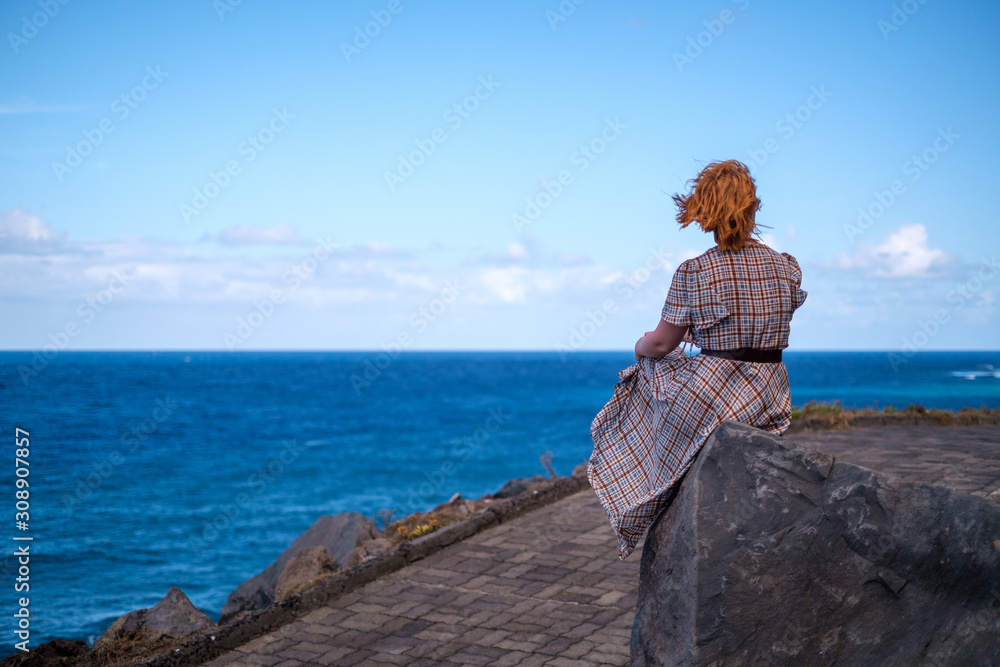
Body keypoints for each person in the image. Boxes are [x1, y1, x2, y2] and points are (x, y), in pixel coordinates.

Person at [588, 159, 807, 560]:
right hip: (770, 392)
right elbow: (760, 325)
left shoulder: (695, 271)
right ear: (753, 207)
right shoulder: (785, 266)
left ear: (703, 212)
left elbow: (659, 346)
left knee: (643, 373)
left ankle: (640, 493)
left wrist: (639, 345)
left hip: (717, 395)